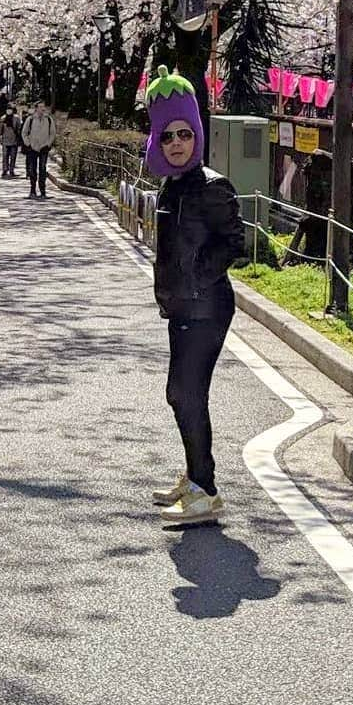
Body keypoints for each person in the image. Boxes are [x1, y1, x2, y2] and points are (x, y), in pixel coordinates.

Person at [145, 66, 245, 526]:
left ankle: (205, 491)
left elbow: (232, 242)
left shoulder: (210, 185)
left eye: (185, 133)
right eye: (168, 136)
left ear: (197, 134)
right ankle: (195, 477)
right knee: (181, 395)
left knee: (185, 394)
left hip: (206, 306)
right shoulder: (174, 184)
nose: (177, 143)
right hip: (184, 305)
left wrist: (195, 278)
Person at [21, 100, 56, 199]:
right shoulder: (30, 119)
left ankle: (43, 192)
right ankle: (32, 191)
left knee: (43, 169)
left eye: (43, 107)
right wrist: (28, 143)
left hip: (44, 148)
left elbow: (52, 133)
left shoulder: (48, 119)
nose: (42, 109)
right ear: (36, 108)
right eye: (40, 107)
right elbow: (24, 132)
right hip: (33, 148)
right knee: (32, 170)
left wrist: (48, 144)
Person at [0, 105, 22, 178]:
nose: (9, 111)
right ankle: (5, 170)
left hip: (14, 140)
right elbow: (0, 130)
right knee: (5, 156)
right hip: (5, 140)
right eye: (8, 109)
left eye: (10, 109)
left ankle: (11, 170)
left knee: (13, 156)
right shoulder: (3, 118)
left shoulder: (16, 118)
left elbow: (19, 128)